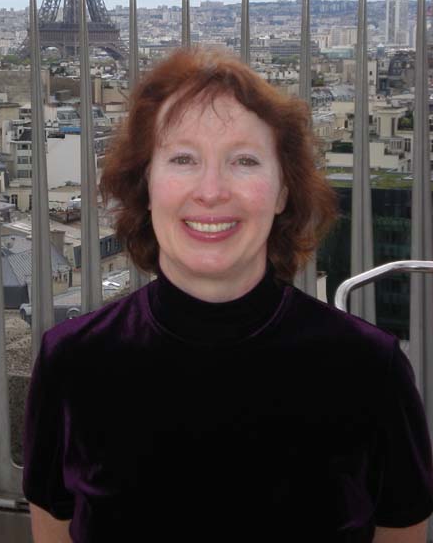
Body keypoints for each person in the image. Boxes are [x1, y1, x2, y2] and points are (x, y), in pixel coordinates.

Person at [23, 47, 433, 543]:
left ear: (283, 191)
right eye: (183, 159)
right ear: (146, 185)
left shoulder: (370, 368)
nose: (211, 190)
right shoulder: (72, 362)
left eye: (243, 160)